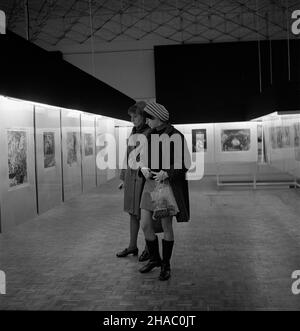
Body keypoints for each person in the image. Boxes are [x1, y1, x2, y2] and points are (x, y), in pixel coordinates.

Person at [138, 102, 191, 281]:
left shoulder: (176, 136)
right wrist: (142, 168)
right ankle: (155, 259)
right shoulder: (148, 135)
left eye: (149, 117)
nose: (146, 120)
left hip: (165, 186)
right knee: (145, 224)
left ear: (158, 118)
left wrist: (167, 172)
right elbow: (141, 159)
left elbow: (184, 164)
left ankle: (166, 265)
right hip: (149, 185)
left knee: (167, 226)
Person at [116, 101, 151, 262]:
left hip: (142, 178)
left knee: (144, 216)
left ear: (143, 116)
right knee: (132, 213)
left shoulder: (150, 133)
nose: (133, 119)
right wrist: (124, 178)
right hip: (132, 178)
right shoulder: (134, 131)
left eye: (135, 116)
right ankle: (132, 246)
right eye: (131, 116)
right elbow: (128, 155)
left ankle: (148, 249)